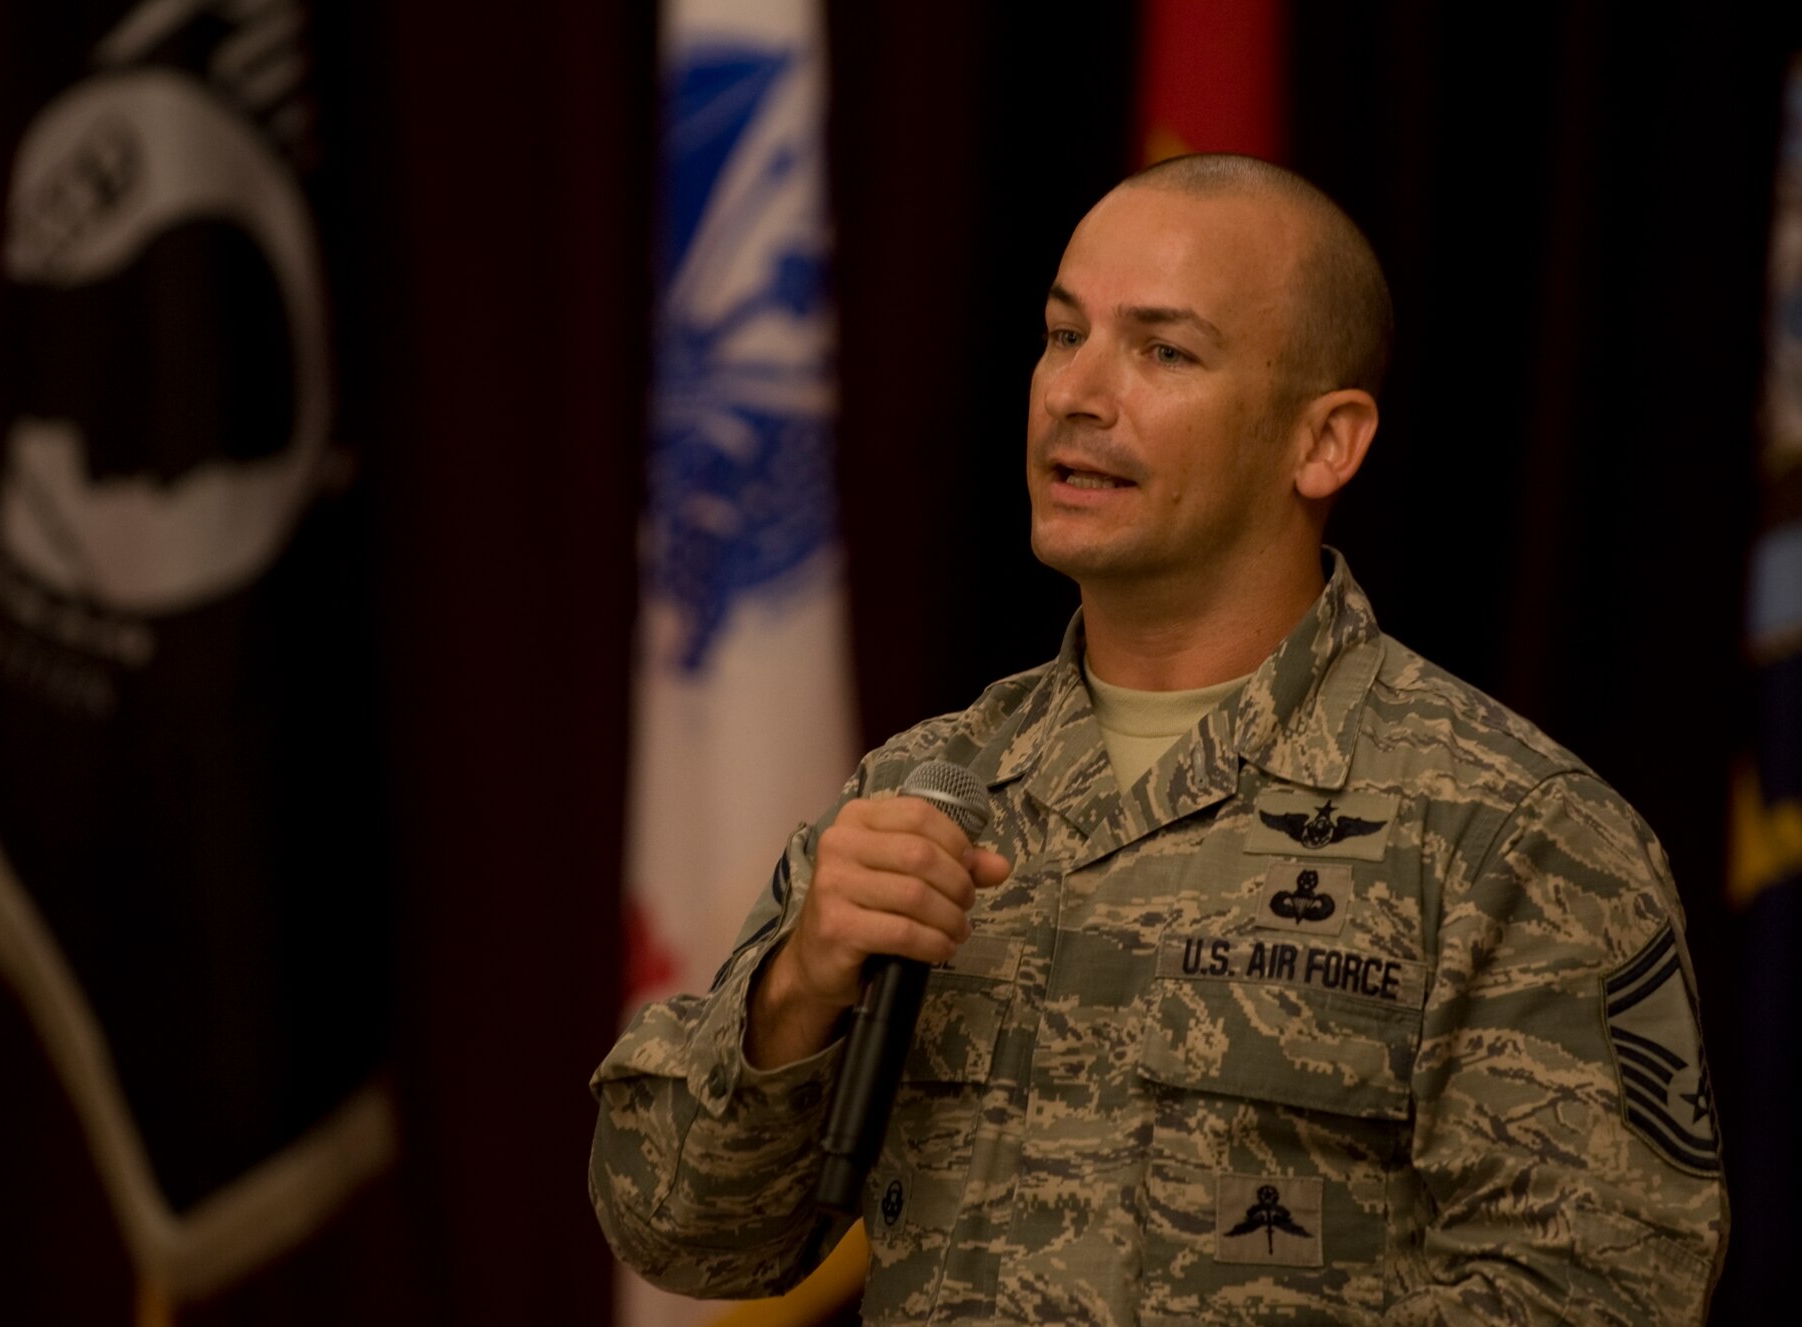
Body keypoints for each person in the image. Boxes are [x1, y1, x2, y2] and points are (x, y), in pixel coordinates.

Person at [590, 154, 1727, 1324]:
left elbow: (1593, 1293)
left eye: (1161, 350)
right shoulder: (931, 787)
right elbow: (682, 1235)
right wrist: (794, 994)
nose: (1074, 392)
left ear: (1323, 442)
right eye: (1059, 333)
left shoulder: (1511, 831)